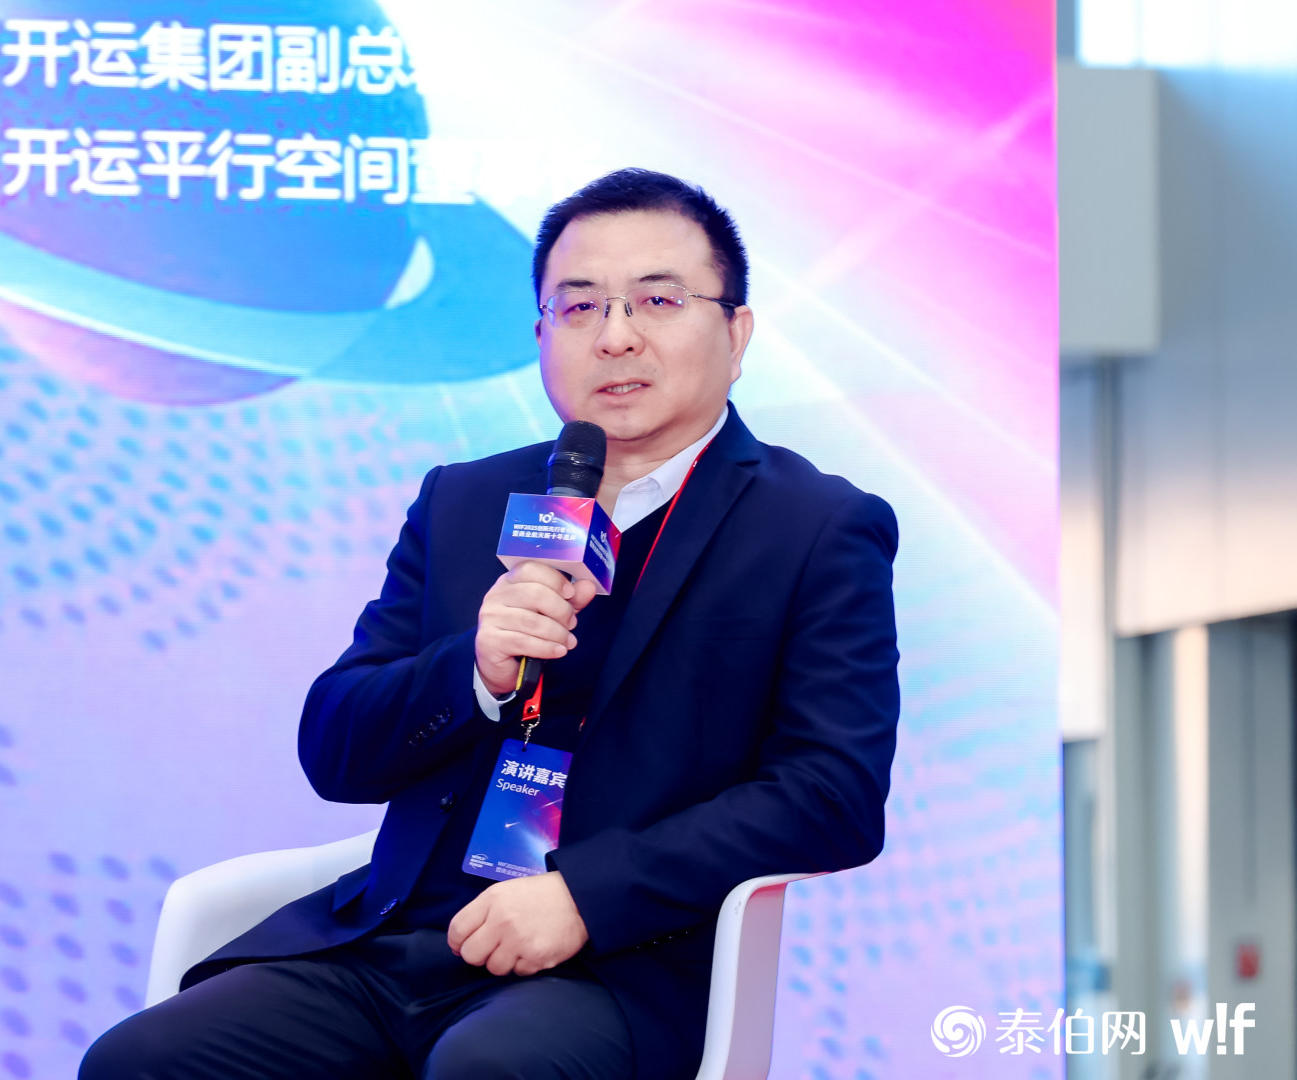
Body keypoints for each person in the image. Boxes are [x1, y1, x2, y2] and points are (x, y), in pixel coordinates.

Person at [80, 168, 900, 1080]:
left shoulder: (814, 526)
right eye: (579, 307)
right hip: (395, 943)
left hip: (614, 967)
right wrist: (475, 670)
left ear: (736, 332)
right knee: (141, 1060)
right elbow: (337, 751)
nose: (616, 336)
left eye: (658, 300)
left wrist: (585, 896)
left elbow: (831, 792)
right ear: (542, 335)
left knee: (491, 1069)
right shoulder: (466, 499)